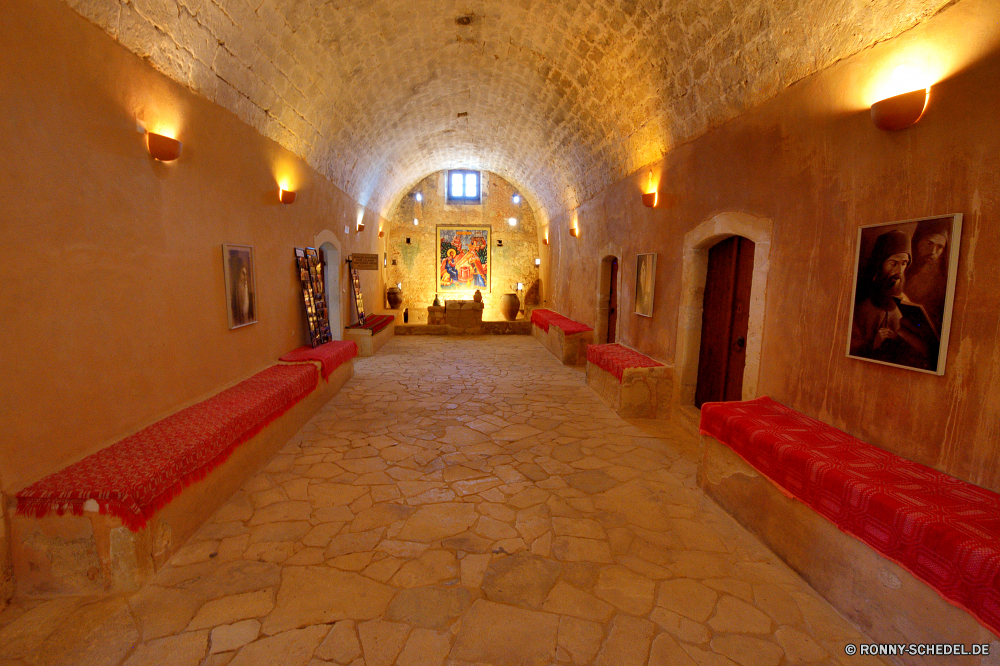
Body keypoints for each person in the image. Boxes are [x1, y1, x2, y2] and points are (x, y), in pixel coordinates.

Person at [850, 230, 937, 370]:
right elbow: (850, 347)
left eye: (904, 263)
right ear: (880, 263)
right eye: (893, 263)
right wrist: (874, 343)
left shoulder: (904, 300)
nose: (899, 271)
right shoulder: (861, 303)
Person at [904, 218, 950, 333]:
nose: (933, 252)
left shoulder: (942, 281)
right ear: (918, 241)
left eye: (940, 247)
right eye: (930, 243)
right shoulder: (902, 267)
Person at [230, 253, 254, 326]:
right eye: (243, 274)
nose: (245, 278)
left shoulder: (250, 296)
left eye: (246, 274)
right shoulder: (233, 299)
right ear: (238, 275)